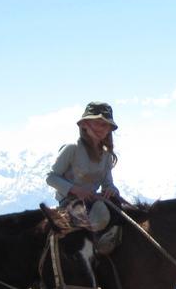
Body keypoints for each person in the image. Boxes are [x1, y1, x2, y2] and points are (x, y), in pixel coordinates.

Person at [47, 101, 122, 253]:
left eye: (105, 125)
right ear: (85, 125)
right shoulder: (72, 148)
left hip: (93, 202)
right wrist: (75, 190)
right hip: (69, 203)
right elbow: (51, 177)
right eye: (97, 123)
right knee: (96, 216)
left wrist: (111, 190)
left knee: (117, 208)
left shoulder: (106, 155)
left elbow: (108, 183)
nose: (101, 129)